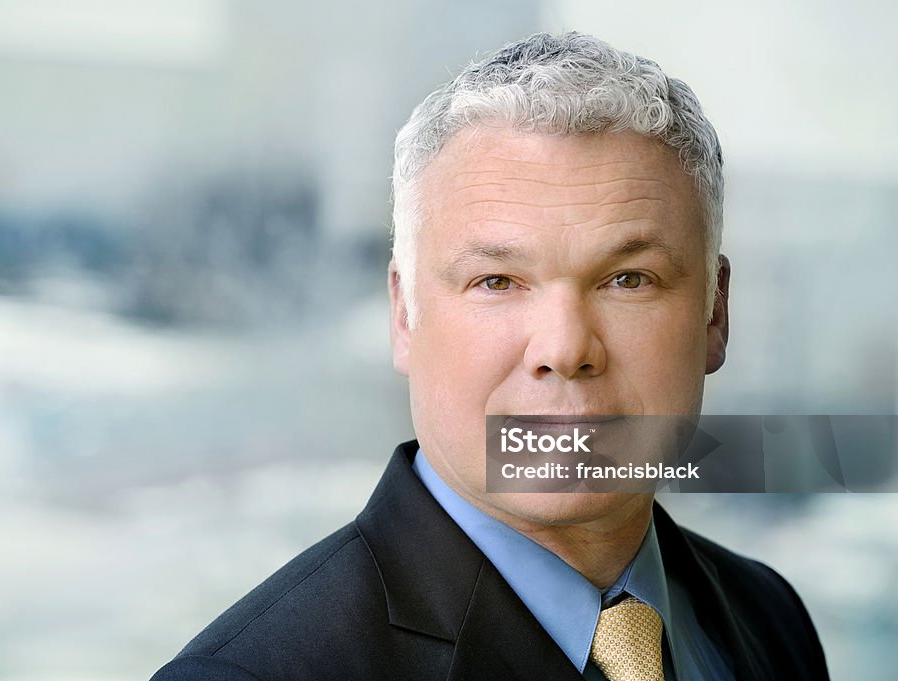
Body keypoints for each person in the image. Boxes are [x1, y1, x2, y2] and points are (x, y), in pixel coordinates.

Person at [151, 32, 829, 680]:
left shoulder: (770, 618)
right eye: (497, 282)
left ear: (715, 312)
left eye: (628, 279)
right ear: (404, 316)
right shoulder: (253, 674)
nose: (564, 349)